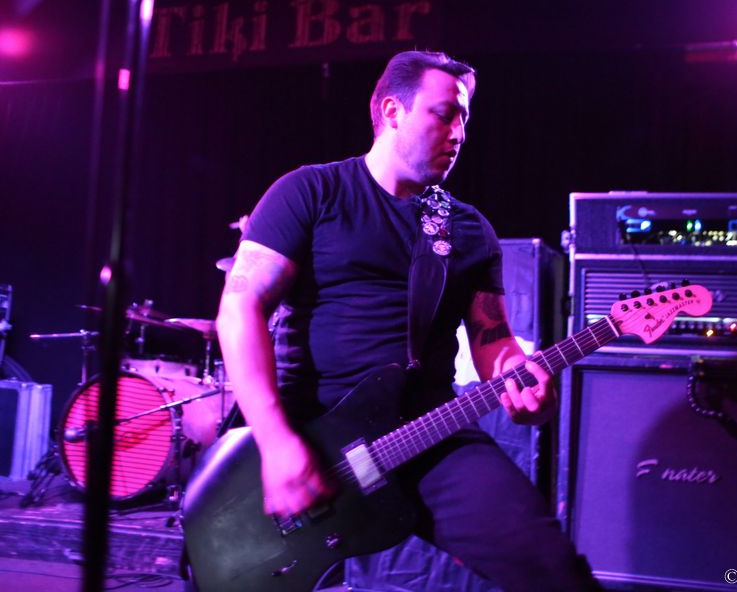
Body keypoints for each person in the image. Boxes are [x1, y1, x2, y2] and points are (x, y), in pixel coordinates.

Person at [216, 50, 599, 591]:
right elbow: (240, 307)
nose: (459, 133)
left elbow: (494, 343)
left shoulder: (468, 230)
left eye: (465, 118)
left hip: (426, 433)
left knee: (554, 571)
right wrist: (276, 440)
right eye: (445, 114)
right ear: (392, 111)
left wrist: (524, 381)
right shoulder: (311, 191)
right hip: (312, 433)